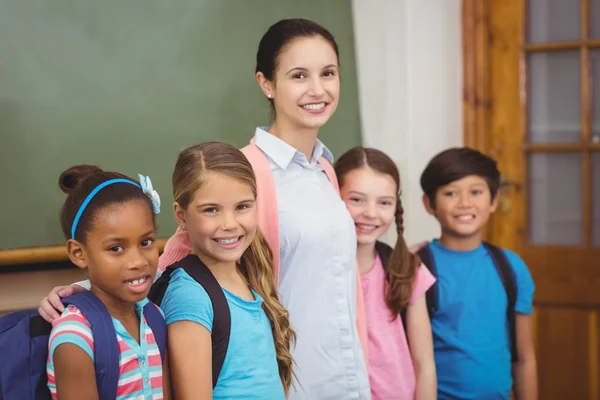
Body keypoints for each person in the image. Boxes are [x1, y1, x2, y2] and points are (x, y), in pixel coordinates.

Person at [37, 18, 370, 399]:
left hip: (343, 377)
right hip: (294, 381)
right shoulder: (244, 172)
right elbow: (173, 259)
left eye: (328, 73)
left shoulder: (326, 169)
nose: (317, 88)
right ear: (266, 83)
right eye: (299, 75)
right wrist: (80, 290)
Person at [156, 142, 294, 398]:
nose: (230, 224)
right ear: (181, 216)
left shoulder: (249, 273)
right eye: (211, 210)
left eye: (242, 206)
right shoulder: (190, 297)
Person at [419, 147, 537, 399]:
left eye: (476, 192)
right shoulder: (417, 268)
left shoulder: (511, 268)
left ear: (493, 201)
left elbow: (524, 358)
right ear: (429, 203)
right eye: (450, 193)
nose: (464, 203)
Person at [47, 165, 170, 399]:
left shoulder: (153, 317)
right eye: (116, 248)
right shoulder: (75, 336)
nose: (137, 261)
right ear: (78, 253)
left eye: (146, 242)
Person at [335, 147, 437, 400]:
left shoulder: (406, 268)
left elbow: (424, 365)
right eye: (356, 199)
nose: (370, 213)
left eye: (384, 203)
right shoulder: (318, 273)